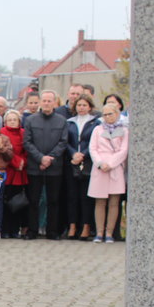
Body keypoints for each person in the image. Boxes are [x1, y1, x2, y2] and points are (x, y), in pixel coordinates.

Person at [22, 90, 67, 240]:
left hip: (54, 168)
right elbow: (27, 142)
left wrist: (50, 158)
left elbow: (63, 142)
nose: (46, 103)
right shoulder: (31, 120)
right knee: (33, 200)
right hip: (35, 167)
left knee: (53, 201)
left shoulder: (61, 121)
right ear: (41, 102)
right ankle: (32, 230)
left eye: (50, 101)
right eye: (44, 101)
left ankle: (52, 231)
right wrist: (41, 158)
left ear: (55, 102)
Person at [88, 102, 128, 243]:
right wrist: (100, 163)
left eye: (110, 114)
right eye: (104, 114)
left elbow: (124, 150)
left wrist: (111, 164)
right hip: (100, 169)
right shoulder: (98, 130)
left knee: (114, 202)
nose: (107, 117)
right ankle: (99, 232)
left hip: (115, 168)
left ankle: (109, 233)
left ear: (117, 114)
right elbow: (93, 148)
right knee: (100, 201)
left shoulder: (124, 130)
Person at [66, 94, 100, 240]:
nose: (81, 108)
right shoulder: (69, 123)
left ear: (90, 107)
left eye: (84, 105)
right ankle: (72, 226)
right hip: (72, 162)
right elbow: (65, 141)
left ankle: (86, 226)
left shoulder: (96, 123)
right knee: (72, 196)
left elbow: (95, 142)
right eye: (79, 105)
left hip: (88, 163)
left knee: (85, 197)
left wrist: (83, 155)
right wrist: (73, 154)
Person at [0, 110, 29, 238]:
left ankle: (15, 229)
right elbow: (3, 151)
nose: (12, 122)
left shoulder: (24, 133)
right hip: (8, 169)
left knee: (18, 202)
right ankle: (5, 229)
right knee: (6, 201)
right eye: (9, 120)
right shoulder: (2, 133)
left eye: (14, 119)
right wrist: (16, 162)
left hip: (20, 172)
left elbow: (27, 149)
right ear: (5, 122)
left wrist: (23, 162)